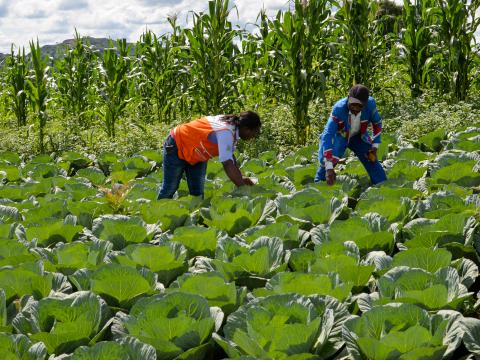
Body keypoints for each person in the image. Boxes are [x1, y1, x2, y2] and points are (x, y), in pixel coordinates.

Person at [158, 111, 261, 199]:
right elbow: (227, 164)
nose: (253, 137)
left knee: (197, 192)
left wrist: (241, 177)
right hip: (177, 144)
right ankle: (158, 216)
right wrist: (243, 189)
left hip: (197, 153)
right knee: (170, 188)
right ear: (247, 129)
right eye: (254, 133)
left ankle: (195, 220)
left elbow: (230, 157)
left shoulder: (233, 127)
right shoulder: (225, 132)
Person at [315, 84, 387, 185]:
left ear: (365, 104)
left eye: (360, 106)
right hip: (341, 136)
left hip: (359, 136)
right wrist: (329, 168)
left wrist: (374, 147)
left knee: (371, 159)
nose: (355, 108)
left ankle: (382, 185)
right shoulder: (339, 108)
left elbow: (377, 123)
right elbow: (328, 135)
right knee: (328, 162)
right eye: (353, 104)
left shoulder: (370, 105)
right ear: (348, 98)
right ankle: (319, 184)